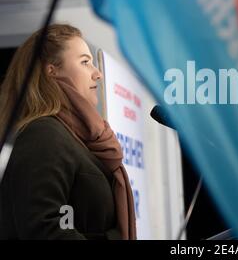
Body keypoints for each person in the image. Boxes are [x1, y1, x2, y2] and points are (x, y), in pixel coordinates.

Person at [0, 24, 136, 240]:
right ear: (52, 71)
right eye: (85, 62)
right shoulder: (43, 134)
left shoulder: (73, 137)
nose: (97, 74)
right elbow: (43, 230)